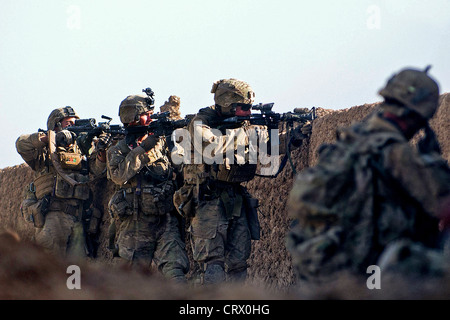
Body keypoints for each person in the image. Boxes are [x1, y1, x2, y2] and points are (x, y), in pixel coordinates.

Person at [286, 66, 450, 284]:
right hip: (370, 270)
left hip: (326, 264)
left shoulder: (350, 141)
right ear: (417, 114)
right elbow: (443, 207)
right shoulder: (394, 151)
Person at [173, 78, 311, 285]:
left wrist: (294, 136)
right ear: (227, 103)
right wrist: (246, 136)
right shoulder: (201, 122)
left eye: (250, 107)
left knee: (239, 262)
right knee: (213, 263)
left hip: (235, 199)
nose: (248, 112)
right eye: (243, 107)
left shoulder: (241, 125)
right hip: (208, 200)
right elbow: (211, 145)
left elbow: (267, 146)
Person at [106, 92, 189, 283]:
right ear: (132, 118)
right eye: (146, 114)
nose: (150, 118)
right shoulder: (118, 149)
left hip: (166, 222)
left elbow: (181, 167)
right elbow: (118, 176)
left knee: (176, 273)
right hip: (136, 223)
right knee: (131, 282)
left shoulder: (161, 143)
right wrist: (142, 149)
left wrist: (172, 143)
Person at [16, 106, 109, 259]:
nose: (73, 127)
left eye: (76, 124)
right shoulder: (46, 150)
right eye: (68, 124)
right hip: (54, 217)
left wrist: (101, 152)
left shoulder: (82, 149)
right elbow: (21, 144)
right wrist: (52, 137)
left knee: (76, 272)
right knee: (51, 267)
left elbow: (97, 170)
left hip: (79, 218)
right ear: (56, 125)